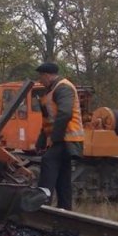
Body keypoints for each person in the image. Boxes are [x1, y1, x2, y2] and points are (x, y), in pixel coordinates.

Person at [34, 62, 84, 210]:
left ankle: (43, 206)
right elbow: (48, 121)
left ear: (47, 75)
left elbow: (65, 113)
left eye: (41, 77)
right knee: (63, 174)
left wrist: (54, 138)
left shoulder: (63, 88)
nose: (40, 80)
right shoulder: (49, 92)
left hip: (67, 139)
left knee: (48, 161)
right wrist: (41, 140)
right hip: (63, 139)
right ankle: (65, 210)